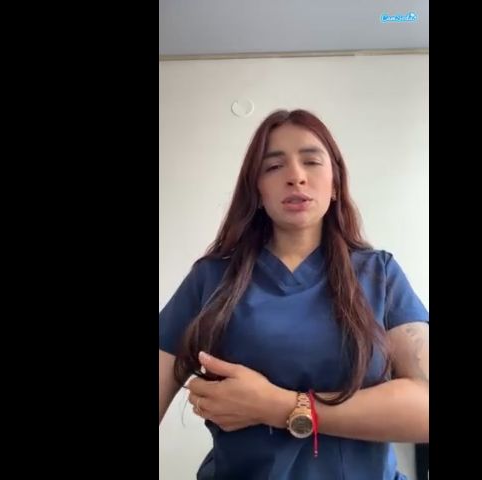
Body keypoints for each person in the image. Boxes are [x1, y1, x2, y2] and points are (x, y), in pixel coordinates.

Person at [158, 109, 429, 480]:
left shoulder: (379, 274)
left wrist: (281, 407)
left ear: (335, 185)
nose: (295, 176)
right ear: (257, 191)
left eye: (311, 161)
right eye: (273, 167)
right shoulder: (211, 278)